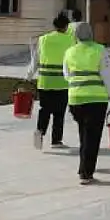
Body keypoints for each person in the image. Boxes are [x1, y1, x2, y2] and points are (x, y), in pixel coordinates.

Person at [63, 21, 110, 185]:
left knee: (83, 134)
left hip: (75, 99)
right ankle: (86, 172)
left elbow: (67, 75)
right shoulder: (99, 50)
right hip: (95, 100)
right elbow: (107, 78)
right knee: (92, 137)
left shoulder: (69, 52)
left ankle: (83, 164)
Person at [25, 12, 74, 150]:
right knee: (59, 112)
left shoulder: (43, 39)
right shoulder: (70, 40)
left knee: (45, 109)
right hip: (62, 82)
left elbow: (35, 60)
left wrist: (28, 77)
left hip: (45, 81)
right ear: (66, 26)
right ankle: (56, 140)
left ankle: (40, 131)